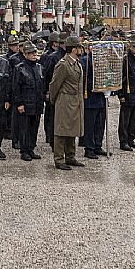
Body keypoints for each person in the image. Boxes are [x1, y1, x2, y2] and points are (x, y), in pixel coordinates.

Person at [49, 35, 85, 171]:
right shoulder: (63, 64)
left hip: (75, 100)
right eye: (79, 47)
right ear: (74, 49)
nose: (81, 49)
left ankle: (70, 156)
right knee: (61, 130)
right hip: (64, 100)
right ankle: (59, 159)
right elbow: (54, 84)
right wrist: (54, 100)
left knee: (72, 129)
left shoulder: (76, 63)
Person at [10, 42, 45, 161]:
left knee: (34, 128)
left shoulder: (39, 67)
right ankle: (24, 150)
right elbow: (15, 87)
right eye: (31, 53)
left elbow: (42, 85)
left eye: (35, 52)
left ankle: (31, 148)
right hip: (25, 103)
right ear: (25, 54)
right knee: (24, 128)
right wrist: (19, 103)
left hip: (37, 103)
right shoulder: (19, 68)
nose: (34, 55)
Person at [116, 34, 135, 150]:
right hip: (127, 94)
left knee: (134, 119)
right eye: (134, 46)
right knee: (125, 119)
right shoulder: (125, 60)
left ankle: (131, 139)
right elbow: (120, 78)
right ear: (130, 46)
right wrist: (121, 94)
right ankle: (123, 141)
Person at [79, 44, 106, 160]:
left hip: (100, 97)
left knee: (100, 124)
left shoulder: (101, 61)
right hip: (90, 97)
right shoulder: (85, 60)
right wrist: (95, 84)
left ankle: (97, 145)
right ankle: (89, 148)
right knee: (90, 125)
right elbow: (83, 78)